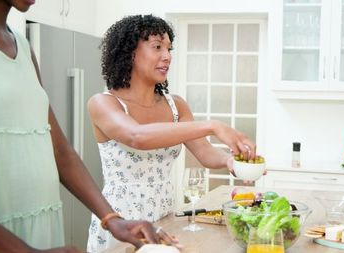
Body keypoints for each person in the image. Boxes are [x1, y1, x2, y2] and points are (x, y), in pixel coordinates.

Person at [0, 0, 178, 252]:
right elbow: (136, 136)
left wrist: (112, 220)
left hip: (41, 220)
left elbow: (59, 149)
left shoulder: (23, 48)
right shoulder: (106, 102)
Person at [86, 14, 257, 251]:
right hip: (121, 225)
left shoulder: (176, 105)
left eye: (169, 48)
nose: (167, 56)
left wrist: (232, 160)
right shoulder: (104, 103)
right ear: (130, 52)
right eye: (157, 47)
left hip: (165, 222)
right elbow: (137, 136)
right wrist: (214, 125)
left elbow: (205, 153)